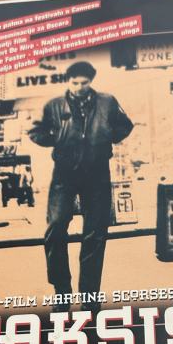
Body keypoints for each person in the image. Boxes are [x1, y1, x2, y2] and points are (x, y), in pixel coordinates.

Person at [28, 61, 133, 308]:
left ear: (91, 81)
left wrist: (107, 136)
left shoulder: (107, 102)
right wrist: (57, 138)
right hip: (64, 173)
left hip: (97, 173)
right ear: (68, 81)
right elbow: (35, 131)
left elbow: (125, 125)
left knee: (95, 234)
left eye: (83, 82)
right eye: (74, 82)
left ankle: (89, 298)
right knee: (55, 229)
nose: (78, 87)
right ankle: (62, 292)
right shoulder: (54, 105)